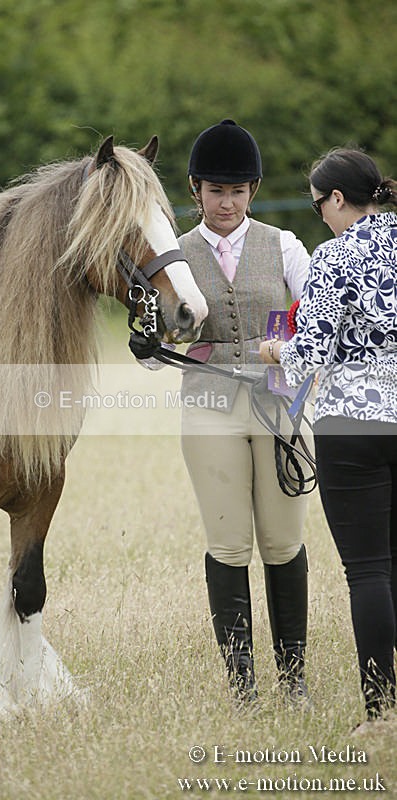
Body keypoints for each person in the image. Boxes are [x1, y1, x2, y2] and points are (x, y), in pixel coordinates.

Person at [260, 147, 397, 728]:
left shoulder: (334, 257)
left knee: (369, 571)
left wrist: (274, 351)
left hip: (352, 424)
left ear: (337, 198)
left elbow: (308, 356)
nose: (320, 216)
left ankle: (381, 712)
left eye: (319, 206)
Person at [177, 119, 311, 705]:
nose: (225, 202)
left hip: (278, 404)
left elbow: (314, 318)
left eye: (236, 191)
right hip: (209, 408)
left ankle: (294, 679)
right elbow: (165, 345)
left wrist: (288, 353)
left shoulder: (284, 246)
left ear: (252, 191)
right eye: (215, 191)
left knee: (282, 541)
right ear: (195, 190)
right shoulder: (175, 257)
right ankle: (243, 688)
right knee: (228, 544)